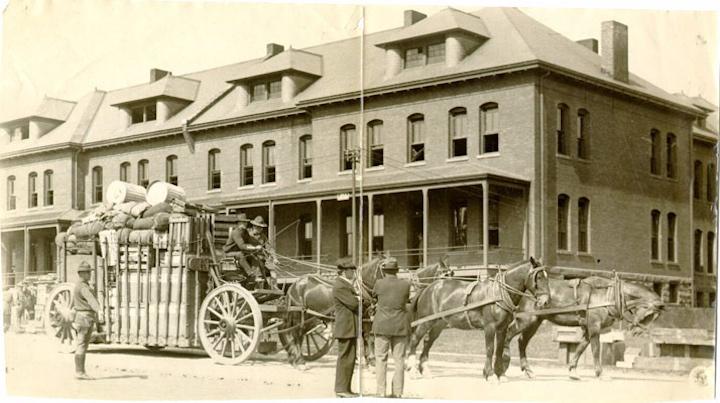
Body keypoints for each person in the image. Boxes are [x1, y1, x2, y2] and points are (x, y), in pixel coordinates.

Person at [372, 258, 410, 398]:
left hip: (382, 325)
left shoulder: (379, 283)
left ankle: (381, 391)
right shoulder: (405, 285)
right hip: (400, 325)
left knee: (381, 359)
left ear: (384, 271)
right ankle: (398, 392)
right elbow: (405, 301)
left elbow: (374, 298)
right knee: (399, 360)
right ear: (397, 270)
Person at [333, 258, 361, 398]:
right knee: (345, 358)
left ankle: (346, 389)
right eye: (351, 270)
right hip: (345, 328)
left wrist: (356, 297)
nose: (353, 272)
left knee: (350, 359)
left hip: (350, 327)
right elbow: (353, 304)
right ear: (343, 272)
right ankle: (341, 389)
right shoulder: (340, 285)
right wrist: (358, 298)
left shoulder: (345, 284)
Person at [72, 261, 102, 380]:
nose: (90, 274)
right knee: (82, 345)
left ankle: (80, 371)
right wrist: (99, 310)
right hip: (85, 318)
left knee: (82, 345)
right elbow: (90, 299)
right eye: (88, 272)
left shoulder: (80, 285)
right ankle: (79, 372)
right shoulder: (83, 287)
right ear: (82, 273)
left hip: (82, 318)